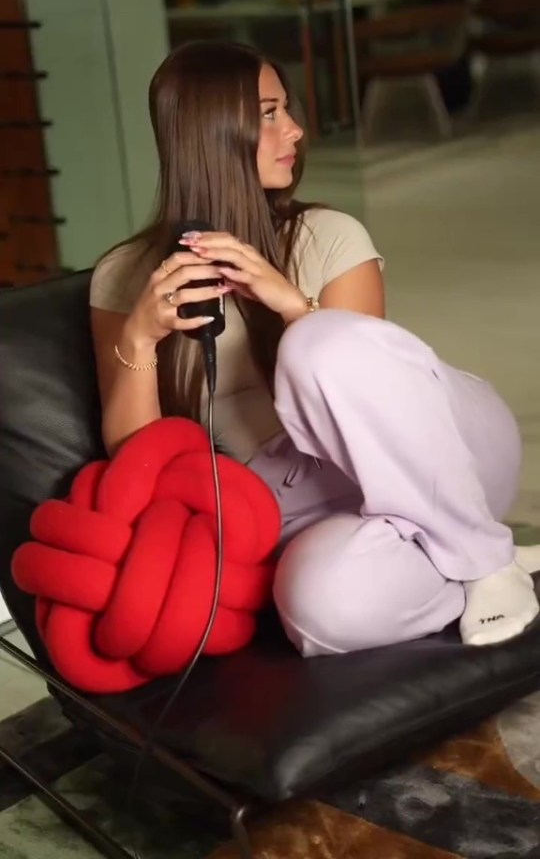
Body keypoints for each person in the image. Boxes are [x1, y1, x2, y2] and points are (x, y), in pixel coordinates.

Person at [90, 40, 539, 658]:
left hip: (444, 456)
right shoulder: (122, 277)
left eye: (285, 109)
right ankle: (472, 564)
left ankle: (482, 555)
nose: (294, 130)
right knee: (316, 606)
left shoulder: (330, 236)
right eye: (270, 114)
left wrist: (290, 302)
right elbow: (138, 462)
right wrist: (139, 337)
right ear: (213, 134)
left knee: (318, 343)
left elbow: (379, 392)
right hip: (303, 509)